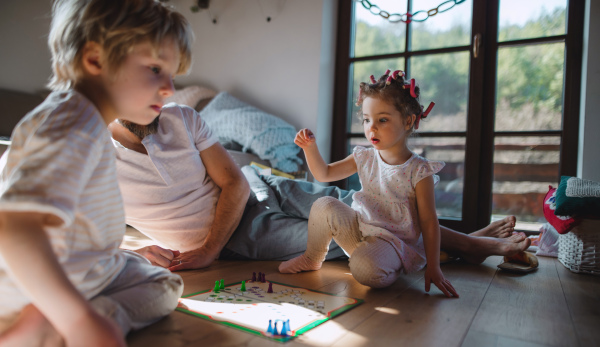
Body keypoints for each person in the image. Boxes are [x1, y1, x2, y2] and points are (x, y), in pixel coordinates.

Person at [0, 0, 194, 345]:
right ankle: (57, 322)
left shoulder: (81, 119)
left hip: (72, 268)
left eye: (172, 75)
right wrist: (78, 320)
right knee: (164, 287)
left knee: (162, 281)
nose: (169, 88)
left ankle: (57, 315)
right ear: (95, 59)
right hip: (36, 285)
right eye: (155, 69)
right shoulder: (76, 124)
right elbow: (14, 226)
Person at [278, 70, 526, 297]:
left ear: (408, 122)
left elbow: (429, 221)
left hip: (393, 243)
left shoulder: (419, 171)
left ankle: (407, 262)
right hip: (359, 228)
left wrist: (435, 268)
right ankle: (313, 258)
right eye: (366, 119)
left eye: (382, 120)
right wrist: (310, 149)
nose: (371, 127)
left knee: (364, 271)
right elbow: (324, 173)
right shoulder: (363, 156)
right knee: (324, 204)